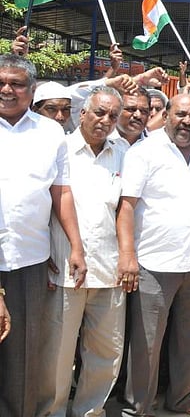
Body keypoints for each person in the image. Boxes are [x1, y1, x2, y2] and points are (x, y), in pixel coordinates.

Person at [117, 93, 190, 417]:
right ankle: (137, 407)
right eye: (181, 114)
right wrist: (128, 255)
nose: (187, 121)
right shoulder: (144, 152)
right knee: (147, 344)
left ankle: (183, 398)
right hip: (154, 263)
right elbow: (126, 206)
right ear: (167, 114)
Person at [0, 54, 87, 417]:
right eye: (1, 81)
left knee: (23, 352)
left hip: (28, 261)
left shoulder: (50, 132)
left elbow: (61, 192)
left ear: (31, 90)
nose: (7, 89)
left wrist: (76, 246)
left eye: (16, 83)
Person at [45, 86, 128, 417]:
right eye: (99, 113)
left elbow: (126, 210)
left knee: (106, 353)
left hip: (109, 271)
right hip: (64, 269)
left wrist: (126, 257)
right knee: (58, 355)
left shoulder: (123, 154)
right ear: (83, 113)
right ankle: (51, 413)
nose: (105, 121)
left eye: (112, 116)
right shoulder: (59, 149)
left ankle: (90, 412)